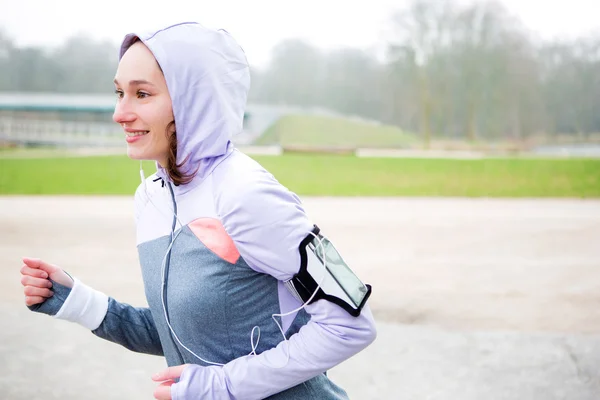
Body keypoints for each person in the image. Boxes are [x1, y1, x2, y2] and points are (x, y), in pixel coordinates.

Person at [19, 22, 377, 400]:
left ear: (195, 99)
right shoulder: (151, 198)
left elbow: (350, 326)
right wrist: (80, 302)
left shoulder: (247, 193)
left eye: (142, 94)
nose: (119, 113)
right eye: (119, 93)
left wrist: (222, 386)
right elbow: (191, 336)